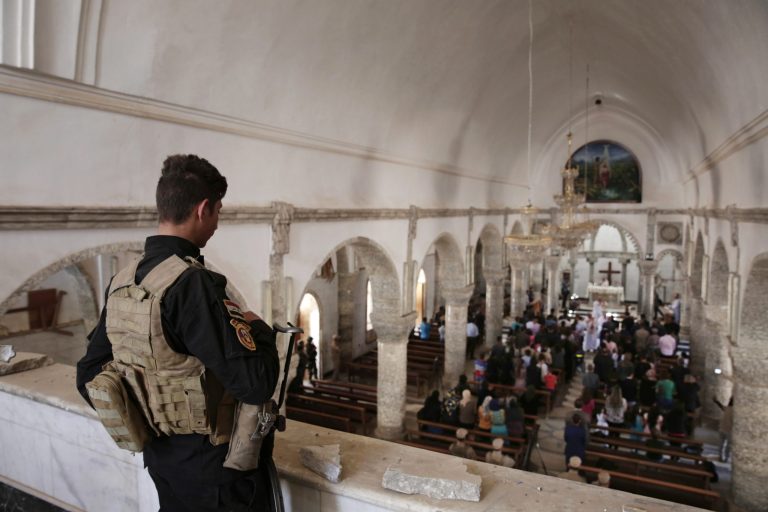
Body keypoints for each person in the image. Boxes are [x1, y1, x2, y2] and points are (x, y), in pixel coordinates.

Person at [75, 154, 280, 511]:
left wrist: (145, 415)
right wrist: (257, 327)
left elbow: (88, 374)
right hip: (217, 473)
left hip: (163, 462)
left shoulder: (122, 282)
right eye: (217, 211)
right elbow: (255, 383)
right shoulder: (193, 284)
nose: (216, 224)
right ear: (203, 209)